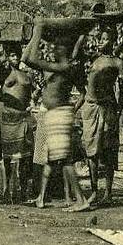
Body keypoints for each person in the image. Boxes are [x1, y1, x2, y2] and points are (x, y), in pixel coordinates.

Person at [23, 18, 92, 212]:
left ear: (65, 49)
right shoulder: (65, 65)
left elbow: (29, 59)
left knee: (63, 160)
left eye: (56, 47)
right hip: (56, 113)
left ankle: (81, 200)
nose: (52, 49)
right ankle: (41, 198)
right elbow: (26, 57)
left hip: (59, 114)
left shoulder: (65, 66)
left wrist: (38, 30)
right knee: (53, 159)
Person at [78, 24, 123, 206]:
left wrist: (119, 109)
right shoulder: (93, 58)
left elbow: (122, 88)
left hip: (108, 107)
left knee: (109, 150)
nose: (101, 42)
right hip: (91, 107)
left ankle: (109, 192)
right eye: (101, 38)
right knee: (91, 151)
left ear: (113, 41)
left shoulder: (117, 63)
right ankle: (95, 191)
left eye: (106, 39)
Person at [0, 44, 36, 203]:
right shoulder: (3, 72)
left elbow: (32, 91)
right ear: (7, 57)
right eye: (12, 55)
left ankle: (23, 190)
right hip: (9, 117)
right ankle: (7, 189)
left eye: (17, 55)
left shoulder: (25, 74)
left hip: (22, 117)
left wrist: (32, 101)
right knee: (7, 157)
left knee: (25, 157)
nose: (15, 58)